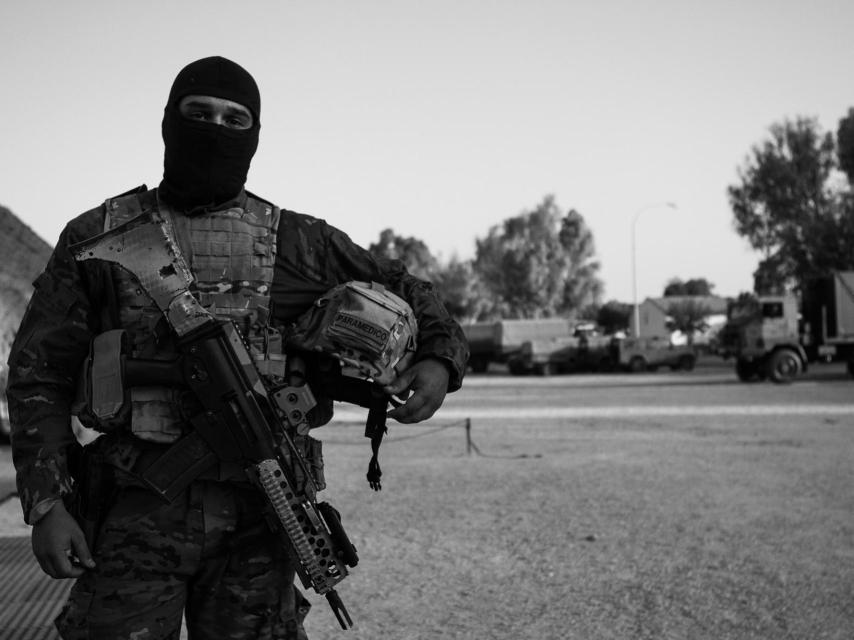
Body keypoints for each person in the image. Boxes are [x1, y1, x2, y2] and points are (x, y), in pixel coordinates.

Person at [6, 56, 469, 640]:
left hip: (258, 520)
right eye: (197, 114)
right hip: (133, 513)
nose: (214, 128)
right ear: (168, 121)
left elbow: (413, 292)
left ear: (255, 136)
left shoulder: (299, 242)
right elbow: (37, 374)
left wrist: (438, 360)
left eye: (234, 118)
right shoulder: (97, 235)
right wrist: (46, 505)